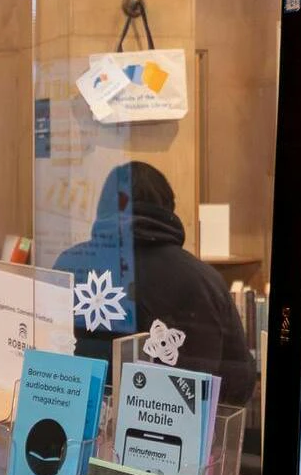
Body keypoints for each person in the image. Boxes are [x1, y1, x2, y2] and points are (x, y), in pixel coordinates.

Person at [51, 161, 259, 405]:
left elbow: (49, 358)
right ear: (169, 209)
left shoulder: (71, 265)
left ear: (104, 208)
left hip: (83, 429)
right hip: (179, 434)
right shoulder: (205, 280)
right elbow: (239, 382)